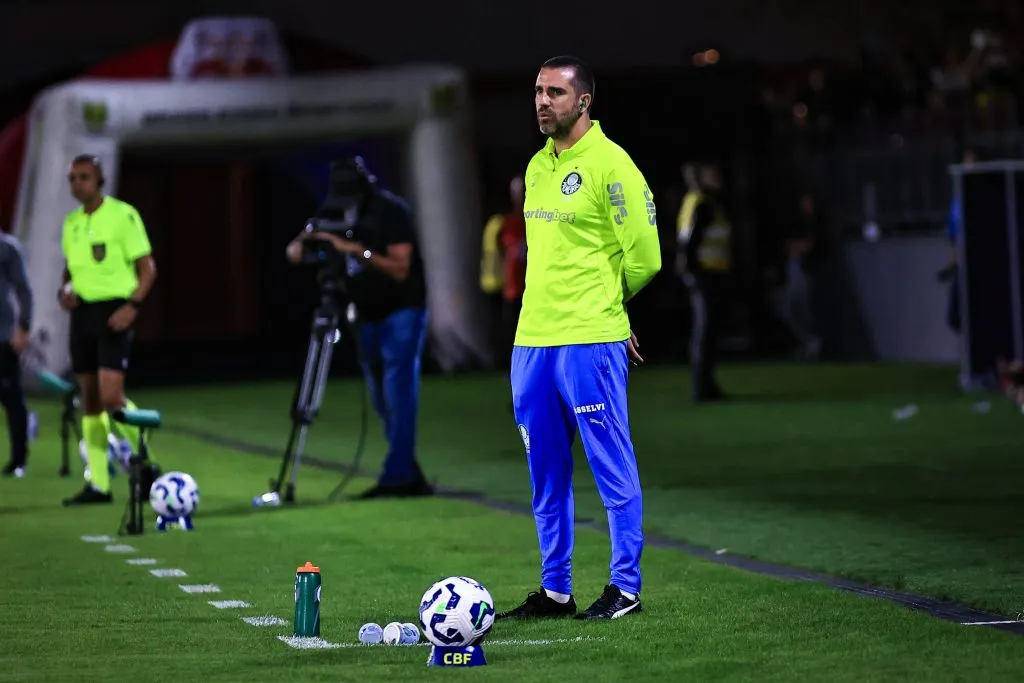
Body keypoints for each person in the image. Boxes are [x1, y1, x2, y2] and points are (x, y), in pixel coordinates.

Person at [498, 56, 661, 622]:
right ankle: (556, 590)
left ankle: (626, 587)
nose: (543, 101)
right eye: (538, 91)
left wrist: (608, 311)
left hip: (589, 342)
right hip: (531, 343)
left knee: (610, 464)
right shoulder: (538, 168)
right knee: (545, 472)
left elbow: (646, 258)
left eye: (555, 93)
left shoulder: (614, 166)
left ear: (584, 101)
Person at [286, 157, 432, 499]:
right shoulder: (334, 211)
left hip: (401, 309)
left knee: (398, 393)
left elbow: (400, 268)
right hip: (365, 313)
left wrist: (354, 250)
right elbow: (293, 253)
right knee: (382, 400)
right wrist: (313, 238)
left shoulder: (389, 211)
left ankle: (397, 476)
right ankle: (408, 472)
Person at [59, 154, 157, 506]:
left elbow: (147, 267)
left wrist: (133, 306)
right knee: (89, 402)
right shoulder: (70, 222)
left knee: (112, 397)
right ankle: (98, 485)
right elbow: (70, 270)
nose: (77, 183)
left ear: (100, 179)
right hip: (82, 316)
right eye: (73, 178)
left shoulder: (122, 215)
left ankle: (145, 459)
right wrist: (64, 292)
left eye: (84, 177)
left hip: (114, 311)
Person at [676, 163, 731, 402]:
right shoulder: (704, 204)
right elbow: (692, 242)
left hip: (704, 273)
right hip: (706, 274)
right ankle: (701, 387)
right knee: (706, 329)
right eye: (712, 174)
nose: (717, 178)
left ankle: (706, 385)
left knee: (707, 329)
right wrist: (690, 267)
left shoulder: (694, 201)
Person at [0, 230, 33, 478]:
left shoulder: (7, 247)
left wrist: (23, 327)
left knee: (12, 401)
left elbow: (24, 289)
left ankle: (18, 460)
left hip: (3, 337)